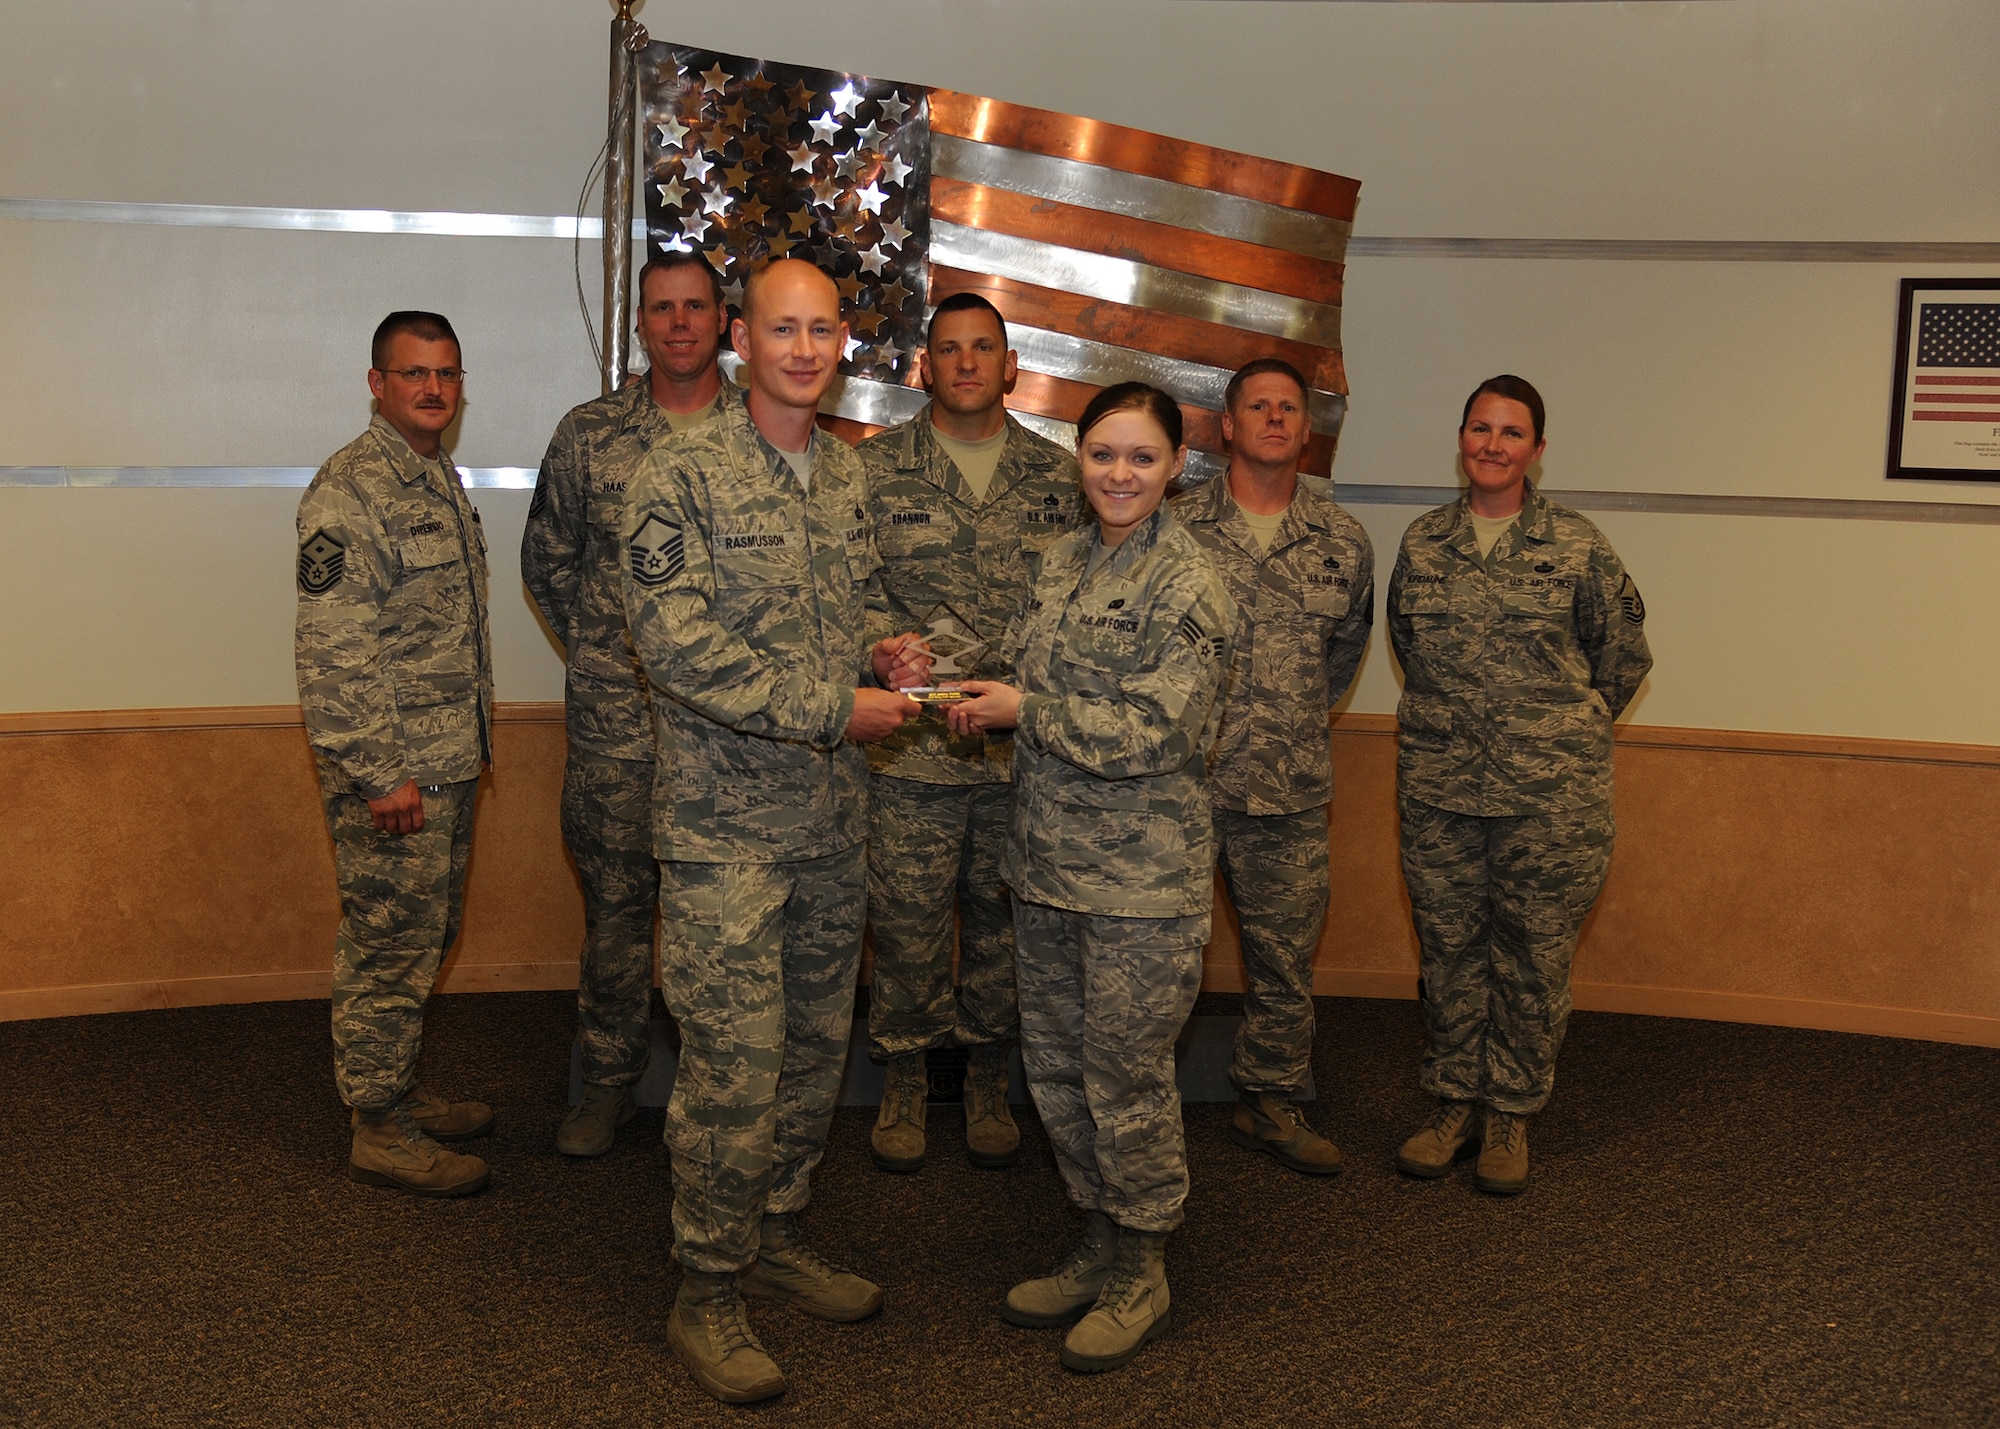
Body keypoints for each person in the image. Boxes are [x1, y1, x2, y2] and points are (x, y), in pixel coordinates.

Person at [619, 258, 932, 1405]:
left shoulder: (841, 479)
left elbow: (837, 620)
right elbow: (679, 647)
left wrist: (882, 652)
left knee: (809, 1054)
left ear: (841, 340)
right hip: (721, 837)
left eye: (819, 330)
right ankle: (705, 1284)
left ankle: (777, 1232)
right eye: (779, 329)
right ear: (741, 340)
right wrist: (829, 705)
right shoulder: (678, 475)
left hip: (828, 827)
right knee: (733, 1065)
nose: (801, 349)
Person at [946, 382, 1237, 1374]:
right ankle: (1097, 1237)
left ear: (1174, 469)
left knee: (1123, 1076)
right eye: (1101, 454)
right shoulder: (1063, 560)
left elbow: (1157, 731)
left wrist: (1022, 711)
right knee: (1058, 1072)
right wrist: (945, 678)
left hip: (1139, 887)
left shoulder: (1189, 582)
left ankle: (1142, 1264)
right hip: (1047, 868)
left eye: (1140, 458)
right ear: (1079, 460)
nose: (1118, 475)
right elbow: (1019, 672)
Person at [1388, 374, 1652, 1196]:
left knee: (1533, 958)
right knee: (1451, 952)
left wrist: (1555, 737)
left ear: (1537, 450)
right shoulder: (1424, 542)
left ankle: (1510, 1110)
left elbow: (1624, 658)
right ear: (1460, 438)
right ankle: (1452, 1103)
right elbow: (1404, 641)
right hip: (1441, 793)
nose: (1492, 445)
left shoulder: (1578, 545)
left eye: (1511, 433)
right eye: (1479, 428)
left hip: (1549, 802)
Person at [855, 292, 1082, 1174]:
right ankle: (907, 1074)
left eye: (982, 348)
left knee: (1001, 925)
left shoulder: (1059, 476)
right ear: (925, 367)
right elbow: (848, 586)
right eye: (947, 350)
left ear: (1009, 364)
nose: (965, 364)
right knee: (907, 924)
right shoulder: (873, 471)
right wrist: (879, 646)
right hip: (913, 753)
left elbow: (1076, 601)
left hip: (1017, 753)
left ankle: (989, 1069)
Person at [522, 252, 736, 1158]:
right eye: (662, 310)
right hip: (619, 730)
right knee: (616, 911)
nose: (679, 323)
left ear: (723, 321)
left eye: (695, 308)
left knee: (725, 917)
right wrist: (615, 656)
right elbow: (548, 560)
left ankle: (718, 1091)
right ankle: (607, 1079)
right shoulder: (590, 434)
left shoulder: (762, 434)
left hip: (732, 738)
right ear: (639, 324)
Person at [295, 311, 496, 1197]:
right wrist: (380, 773)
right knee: (387, 941)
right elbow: (334, 648)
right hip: (399, 772)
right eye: (414, 374)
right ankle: (378, 1125)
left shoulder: (434, 476)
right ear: (376, 383)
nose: (432, 390)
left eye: (446, 375)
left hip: (446, 761)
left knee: (426, 934)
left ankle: (397, 1088)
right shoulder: (351, 490)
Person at [1171, 358, 1374, 1177]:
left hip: (1287, 789)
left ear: (1305, 427)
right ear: (1228, 424)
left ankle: (1272, 1100)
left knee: (1284, 956)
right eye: (1258, 405)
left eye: (1289, 407)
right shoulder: (1174, 527)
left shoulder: (1343, 541)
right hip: (1181, 786)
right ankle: (1141, 1107)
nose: (1276, 418)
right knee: (1165, 953)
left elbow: (1342, 654)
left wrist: (1284, 725)